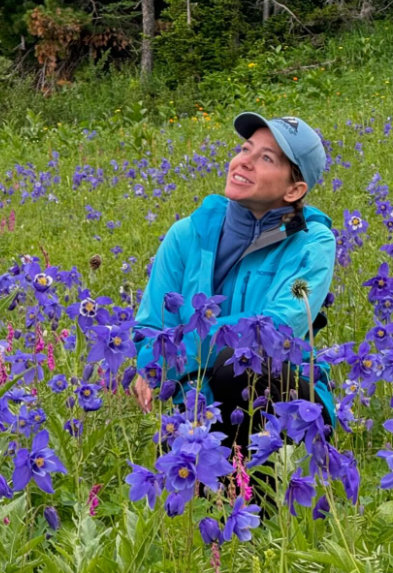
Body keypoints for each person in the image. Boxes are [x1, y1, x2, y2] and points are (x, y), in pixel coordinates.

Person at [133, 112, 337, 449]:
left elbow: (273, 330)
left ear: (294, 189)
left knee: (239, 366)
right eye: (245, 149)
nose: (245, 162)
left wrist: (171, 356)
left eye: (266, 158)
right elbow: (152, 329)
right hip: (198, 403)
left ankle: (267, 491)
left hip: (284, 400)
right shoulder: (186, 234)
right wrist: (154, 359)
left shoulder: (312, 242)